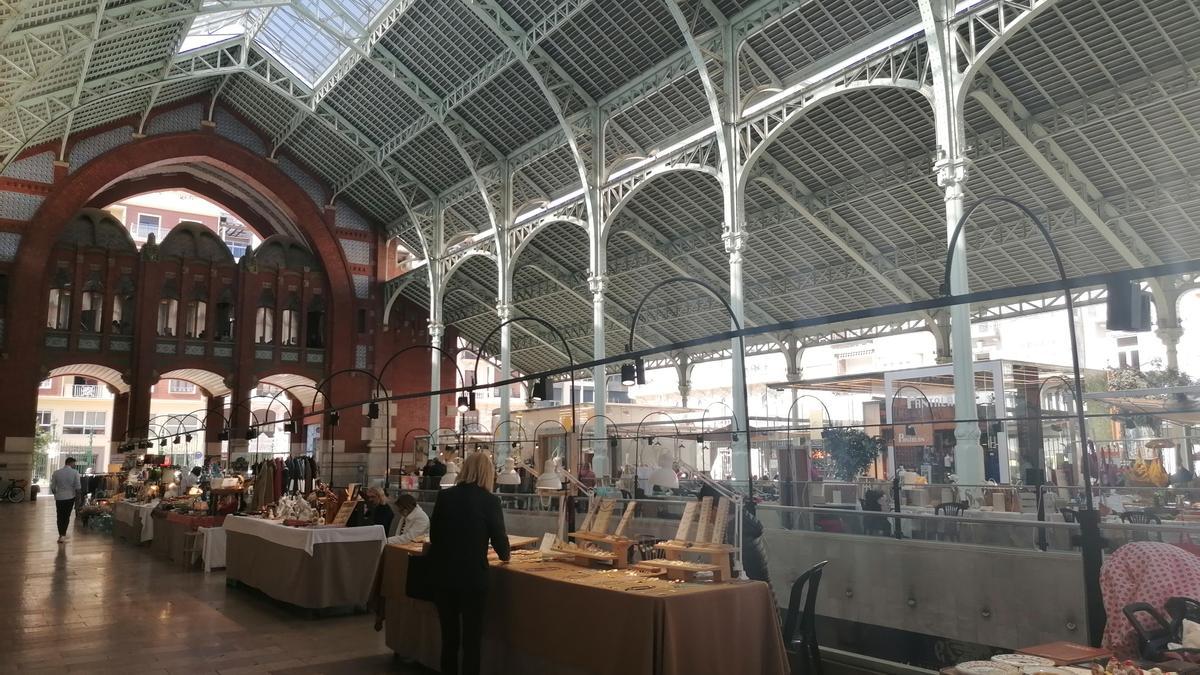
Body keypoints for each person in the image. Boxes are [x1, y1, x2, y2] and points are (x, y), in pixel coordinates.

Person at [428, 453, 510, 675]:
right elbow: (501, 544)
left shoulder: (445, 497)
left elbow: (434, 535)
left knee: (449, 638)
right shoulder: (491, 501)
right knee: (472, 640)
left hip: (444, 576)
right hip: (473, 578)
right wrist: (505, 555)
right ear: (488, 473)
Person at [1101, 541, 1200, 658]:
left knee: (1137, 620)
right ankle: (1122, 656)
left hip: (1160, 562)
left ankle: (1119, 655)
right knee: (1132, 622)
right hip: (1134, 561)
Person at [698, 483, 770, 584]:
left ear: (715, 509)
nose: (702, 515)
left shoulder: (736, 535)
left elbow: (731, 576)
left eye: (703, 509)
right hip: (756, 591)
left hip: (750, 594)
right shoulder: (741, 524)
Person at [49, 457, 81, 543]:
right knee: (66, 516)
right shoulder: (75, 473)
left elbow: (52, 487)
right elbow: (78, 487)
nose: (75, 465)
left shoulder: (56, 473)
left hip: (59, 498)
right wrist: (78, 499)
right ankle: (63, 534)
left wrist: (56, 494)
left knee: (59, 516)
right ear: (70, 463)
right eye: (74, 464)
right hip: (70, 497)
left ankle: (60, 535)